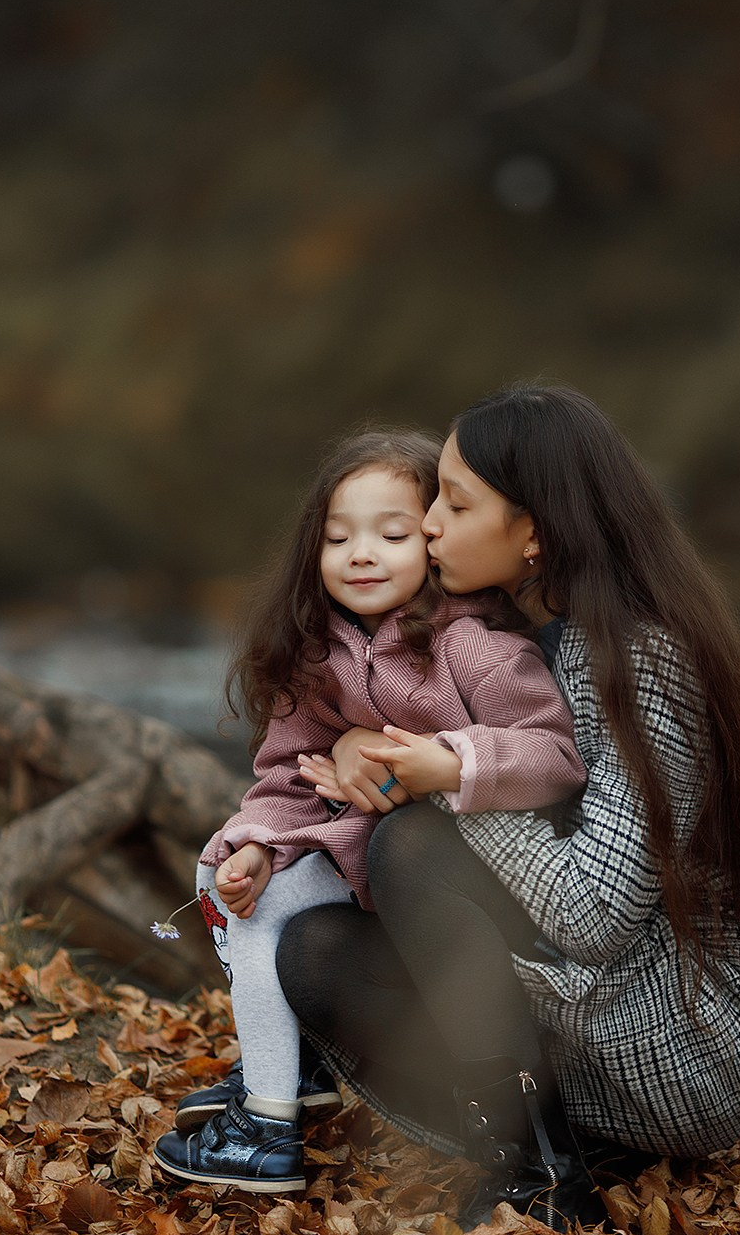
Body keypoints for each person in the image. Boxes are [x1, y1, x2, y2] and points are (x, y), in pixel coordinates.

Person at [277, 385, 740, 1230]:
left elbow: (595, 912)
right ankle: (549, 1148)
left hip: (694, 1042)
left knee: (412, 846)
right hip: (602, 1003)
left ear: (534, 532)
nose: (428, 525)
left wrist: (445, 778)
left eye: (454, 504)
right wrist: (365, 744)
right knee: (316, 955)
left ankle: (540, 1176)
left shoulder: (644, 661)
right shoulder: (543, 640)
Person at [152, 428, 586, 1194]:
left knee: (274, 893)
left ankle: (272, 1110)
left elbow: (554, 755)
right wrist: (260, 844)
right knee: (230, 884)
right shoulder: (317, 652)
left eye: (391, 535)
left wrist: (449, 761)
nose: (361, 555)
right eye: (338, 537)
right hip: (355, 856)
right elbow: (287, 775)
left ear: (433, 541)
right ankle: (279, 1093)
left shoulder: (473, 647)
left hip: (459, 894)